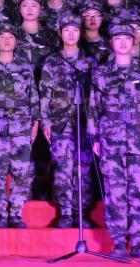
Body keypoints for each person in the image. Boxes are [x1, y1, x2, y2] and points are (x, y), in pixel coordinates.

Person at [88, 23, 140, 259]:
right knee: (115, 190)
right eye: (118, 38)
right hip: (111, 136)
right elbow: (93, 107)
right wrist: (95, 137)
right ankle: (119, 241)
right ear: (111, 42)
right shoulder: (101, 73)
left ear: (133, 42)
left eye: (127, 39)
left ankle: (139, 241)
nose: (122, 43)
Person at [0, 23, 39, 228]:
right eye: (2, 37)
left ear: (16, 41)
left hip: (21, 124)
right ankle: (0, 213)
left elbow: (33, 97)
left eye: (10, 37)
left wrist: (35, 123)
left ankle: (16, 213)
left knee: (21, 171)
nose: (6, 41)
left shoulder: (25, 67)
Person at [39, 13, 97, 228]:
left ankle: (82, 212)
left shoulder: (90, 61)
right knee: (63, 169)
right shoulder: (52, 61)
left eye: (75, 30)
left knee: (84, 169)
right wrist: (45, 121)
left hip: (84, 123)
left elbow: (97, 94)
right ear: (60, 33)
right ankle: (65, 211)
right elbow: (44, 93)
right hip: (60, 123)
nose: (71, 34)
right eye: (67, 30)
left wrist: (95, 122)